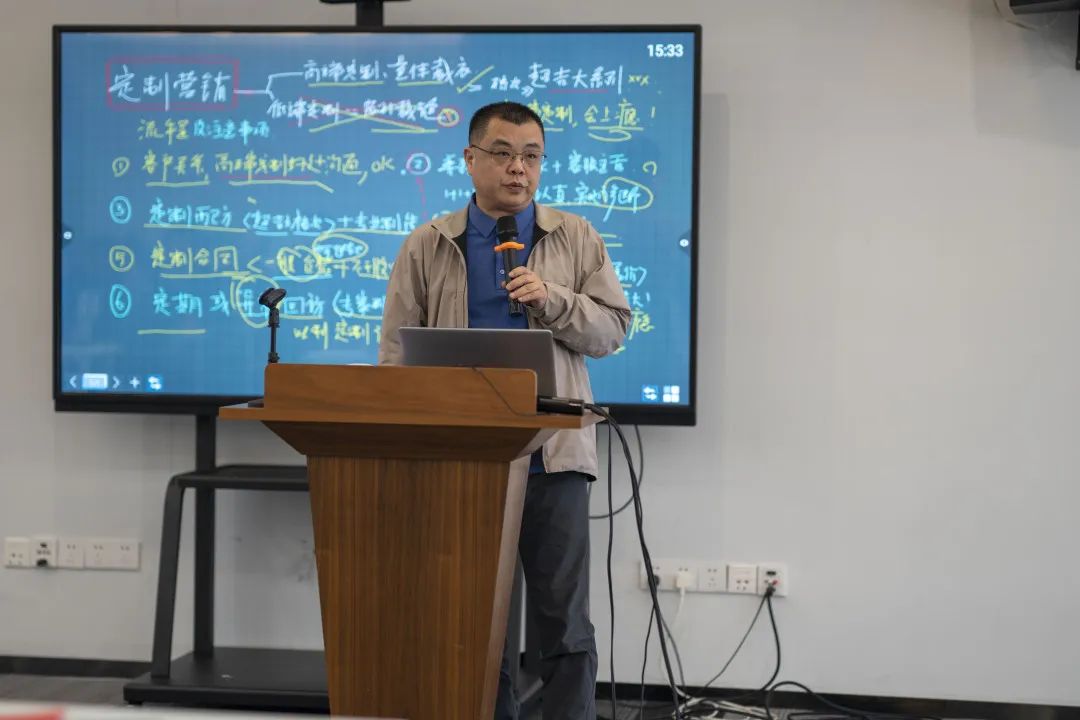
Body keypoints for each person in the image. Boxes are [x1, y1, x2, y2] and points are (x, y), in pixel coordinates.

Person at [379, 101, 630, 720]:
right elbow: (396, 357)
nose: (519, 168)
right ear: (471, 159)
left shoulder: (574, 236)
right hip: (462, 462)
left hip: (554, 459)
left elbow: (612, 331)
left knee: (564, 625)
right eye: (503, 153)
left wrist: (552, 299)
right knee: (473, 624)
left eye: (532, 156)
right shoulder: (429, 244)